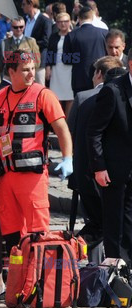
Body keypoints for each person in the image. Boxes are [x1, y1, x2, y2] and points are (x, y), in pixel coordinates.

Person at [0, 49, 73, 255]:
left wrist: (68, 158)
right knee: (10, 231)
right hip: (5, 175)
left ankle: (39, 278)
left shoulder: (43, 95)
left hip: (32, 176)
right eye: (25, 69)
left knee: (37, 230)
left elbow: (61, 128)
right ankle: (15, 277)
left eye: (33, 69)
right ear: (11, 72)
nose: (31, 73)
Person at [67, 56, 123, 264]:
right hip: (104, 175)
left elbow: (73, 134)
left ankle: (71, 253)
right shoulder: (115, 97)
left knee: (98, 224)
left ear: (99, 73)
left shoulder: (83, 97)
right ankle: (68, 252)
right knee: (107, 226)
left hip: (85, 174)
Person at [86, 50, 132, 266]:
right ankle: (114, 271)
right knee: (114, 224)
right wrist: (99, 167)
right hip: (114, 170)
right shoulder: (112, 91)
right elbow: (94, 131)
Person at [62, 5, 107, 95]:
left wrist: (78, 59)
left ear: (78, 18)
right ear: (92, 17)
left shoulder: (71, 35)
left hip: (79, 79)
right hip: (100, 76)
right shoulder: (104, 33)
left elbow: (66, 59)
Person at [46, 12, 73, 117]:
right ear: (56, 23)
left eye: (65, 21)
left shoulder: (74, 35)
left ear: (69, 22)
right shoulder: (53, 37)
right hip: (56, 69)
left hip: (70, 69)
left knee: (70, 96)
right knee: (56, 96)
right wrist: (48, 67)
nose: (63, 24)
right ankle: (58, 120)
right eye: (60, 22)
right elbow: (49, 52)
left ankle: (68, 123)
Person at [21, 0, 53, 85]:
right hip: (24, 60)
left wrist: (30, 45)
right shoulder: (24, 20)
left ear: (30, 4)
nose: (22, 7)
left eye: (24, 4)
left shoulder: (45, 21)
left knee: (39, 87)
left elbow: (46, 41)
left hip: (39, 60)